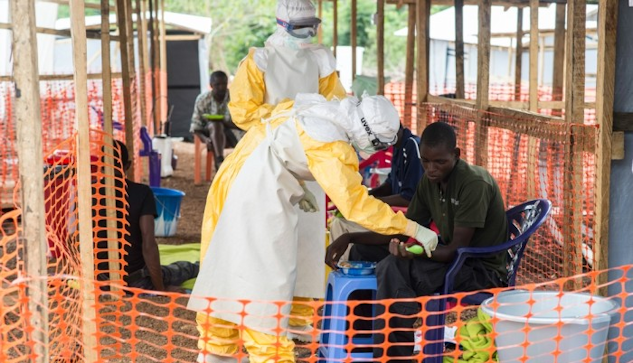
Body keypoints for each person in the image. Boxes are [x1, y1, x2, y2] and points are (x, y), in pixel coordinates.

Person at [188, 94, 439, 363]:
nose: (376, 149)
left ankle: (217, 349)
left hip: (237, 175)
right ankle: (270, 356)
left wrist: (297, 183)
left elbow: (276, 136)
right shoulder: (332, 144)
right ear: (370, 133)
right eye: (378, 144)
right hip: (256, 192)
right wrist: (412, 227)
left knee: (223, 263)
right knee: (263, 280)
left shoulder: (322, 110)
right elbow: (356, 204)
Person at [325, 122, 509, 362]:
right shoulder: (430, 181)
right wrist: (349, 237)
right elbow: (402, 231)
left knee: (394, 266)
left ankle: (393, 356)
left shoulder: (473, 183)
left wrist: (415, 253)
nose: (431, 169)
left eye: (439, 162)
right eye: (426, 161)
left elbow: (455, 252)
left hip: (478, 270)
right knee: (362, 251)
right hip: (451, 260)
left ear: (456, 155)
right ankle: (364, 342)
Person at [227, 0, 347, 342]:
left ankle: (299, 317)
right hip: (266, 155)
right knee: (266, 238)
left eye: (313, 25)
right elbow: (243, 112)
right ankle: (261, 316)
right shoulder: (259, 60)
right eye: (301, 27)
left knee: (307, 242)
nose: (309, 33)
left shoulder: (320, 59)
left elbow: (334, 104)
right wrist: (289, 109)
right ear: (281, 24)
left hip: (309, 159)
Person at [94, 140, 199, 292]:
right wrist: (159, 288)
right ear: (128, 165)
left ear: (100, 165)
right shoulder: (141, 193)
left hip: (100, 281)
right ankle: (206, 267)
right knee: (185, 269)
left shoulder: (87, 194)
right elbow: (148, 243)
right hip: (136, 280)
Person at [329, 124, 424, 260]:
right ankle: (342, 271)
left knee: (342, 226)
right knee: (340, 221)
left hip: (404, 224)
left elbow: (409, 198)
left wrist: (369, 202)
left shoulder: (412, 146)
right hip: (393, 216)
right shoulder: (398, 147)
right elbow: (389, 185)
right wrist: (363, 197)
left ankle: (345, 271)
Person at [191, 71, 242, 169]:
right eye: (217, 84)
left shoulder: (235, 98)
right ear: (211, 85)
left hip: (232, 135)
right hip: (210, 135)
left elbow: (241, 122)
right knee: (215, 125)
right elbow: (195, 127)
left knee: (218, 124)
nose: (221, 87)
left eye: (224, 84)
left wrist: (224, 121)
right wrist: (206, 140)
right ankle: (219, 161)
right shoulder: (202, 100)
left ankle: (221, 164)